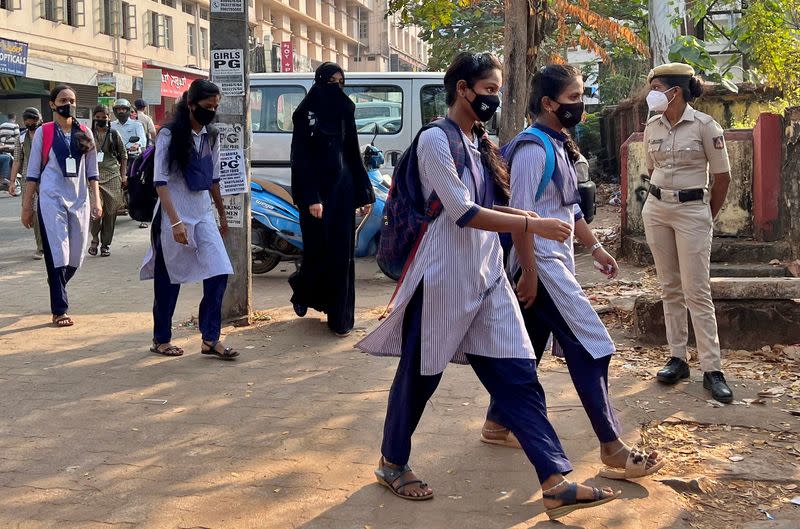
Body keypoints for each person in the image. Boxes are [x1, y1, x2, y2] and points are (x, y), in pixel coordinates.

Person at [357, 52, 618, 520]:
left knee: (519, 376)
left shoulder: (482, 142)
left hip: (488, 277)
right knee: (419, 378)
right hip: (440, 278)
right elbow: (461, 211)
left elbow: (504, 207)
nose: (494, 99)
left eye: (497, 91)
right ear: (462, 89)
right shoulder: (435, 141)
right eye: (489, 90)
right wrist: (533, 226)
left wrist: (527, 238)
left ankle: (555, 480)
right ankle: (392, 462)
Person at [480, 64, 665, 481]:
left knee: (527, 345)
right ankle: (613, 448)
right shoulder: (532, 149)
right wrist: (527, 271)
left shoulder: (557, 143)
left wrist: (596, 248)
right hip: (540, 264)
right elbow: (523, 217)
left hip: (552, 261)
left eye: (581, 96)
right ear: (548, 104)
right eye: (573, 98)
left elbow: (567, 208)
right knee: (593, 345)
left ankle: (498, 423)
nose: (580, 105)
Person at [642, 63, 733, 403]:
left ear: (674, 92)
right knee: (670, 287)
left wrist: (704, 216)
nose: (650, 94)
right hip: (657, 209)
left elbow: (721, 179)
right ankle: (677, 358)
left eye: (655, 87)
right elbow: (653, 170)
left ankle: (713, 369)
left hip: (693, 210)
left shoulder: (706, 126)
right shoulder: (652, 126)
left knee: (697, 290)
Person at [139, 79, 238, 360]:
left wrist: (221, 214)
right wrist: (175, 222)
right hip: (174, 215)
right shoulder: (169, 134)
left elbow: (214, 179)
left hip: (203, 213)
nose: (212, 111)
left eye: (216, 107)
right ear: (191, 105)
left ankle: (210, 339)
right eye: (208, 106)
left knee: (219, 271)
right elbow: (160, 182)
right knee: (169, 279)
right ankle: (161, 339)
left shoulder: (211, 135)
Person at [288, 62, 376, 337]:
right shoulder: (305, 114)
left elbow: (352, 153)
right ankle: (303, 290)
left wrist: (364, 193)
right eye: (331, 82)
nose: (337, 87)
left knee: (342, 257)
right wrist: (312, 197)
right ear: (320, 82)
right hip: (316, 197)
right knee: (317, 255)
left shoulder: (345, 110)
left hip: (342, 193)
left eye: (341, 82)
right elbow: (300, 160)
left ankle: (340, 319)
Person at [21, 85, 102, 327]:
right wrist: (27, 207)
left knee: (76, 256)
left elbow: (92, 172)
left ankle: (56, 282)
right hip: (50, 198)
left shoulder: (84, 132)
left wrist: (96, 200)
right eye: (64, 99)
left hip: (79, 201)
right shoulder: (44, 133)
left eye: (73, 100)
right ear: (53, 104)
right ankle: (60, 309)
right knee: (58, 253)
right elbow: (33, 173)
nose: (69, 103)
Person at [88, 105, 127, 257]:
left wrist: (123, 175)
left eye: (103, 118)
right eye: (98, 117)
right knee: (95, 211)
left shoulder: (114, 134)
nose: (100, 120)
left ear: (108, 118)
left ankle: (105, 244)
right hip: (93, 177)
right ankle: (94, 240)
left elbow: (123, 155)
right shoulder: (88, 134)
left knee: (110, 213)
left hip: (112, 176)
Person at [9, 108, 44, 258]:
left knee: (47, 211)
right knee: (34, 212)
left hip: (47, 178)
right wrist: (12, 182)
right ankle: (41, 247)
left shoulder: (46, 134)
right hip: (28, 180)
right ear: (24, 122)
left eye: (34, 120)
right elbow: (17, 160)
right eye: (28, 120)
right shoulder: (21, 139)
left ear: (39, 119)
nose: (31, 123)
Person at [111, 98, 148, 228]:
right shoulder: (112, 125)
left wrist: (137, 144)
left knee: (137, 186)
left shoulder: (136, 125)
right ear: (115, 111)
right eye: (118, 109)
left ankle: (143, 216)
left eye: (123, 109)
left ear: (128, 111)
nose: (121, 111)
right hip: (116, 158)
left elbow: (142, 140)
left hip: (133, 157)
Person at [0, 112, 20, 190]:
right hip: (13, 149)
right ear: (14, 118)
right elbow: (18, 138)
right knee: (15, 161)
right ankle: (7, 177)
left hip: (3, 148)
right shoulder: (15, 126)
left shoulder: (1, 126)